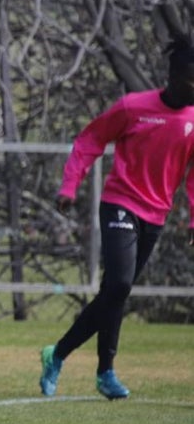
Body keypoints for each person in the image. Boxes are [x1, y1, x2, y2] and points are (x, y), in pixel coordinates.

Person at [40, 36, 194, 400]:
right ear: (173, 76)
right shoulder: (133, 107)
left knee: (113, 292)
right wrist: (69, 185)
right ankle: (102, 370)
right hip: (120, 203)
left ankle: (62, 355)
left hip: (156, 214)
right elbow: (89, 140)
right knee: (121, 285)